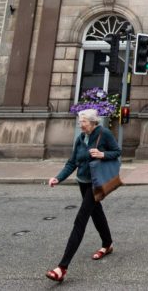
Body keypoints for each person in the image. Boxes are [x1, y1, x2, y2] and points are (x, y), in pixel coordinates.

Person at [46, 108, 121, 283]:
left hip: (96, 183)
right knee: (96, 213)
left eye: (84, 122)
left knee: (80, 220)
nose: (81, 125)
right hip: (83, 181)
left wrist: (103, 154)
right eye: (80, 122)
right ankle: (107, 244)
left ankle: (62, 268)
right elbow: (73, 162)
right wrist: (58, 178)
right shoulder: (80, 139)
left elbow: (117, 152)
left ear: (93, 122)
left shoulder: (104, 133)